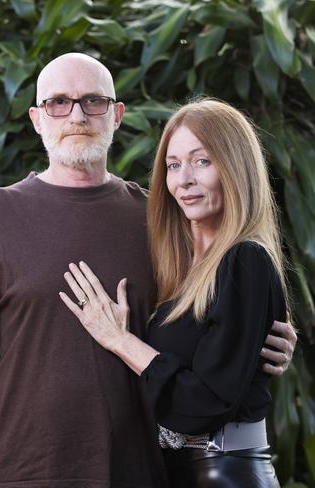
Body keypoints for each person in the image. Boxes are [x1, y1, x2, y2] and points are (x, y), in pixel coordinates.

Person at [0, 54, 296, 488]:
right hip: (26, 474)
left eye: (93, 101)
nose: (76, 115)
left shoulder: (163, 222)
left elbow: (214, 324)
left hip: (141, 472)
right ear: (37, 118)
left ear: (116, 115)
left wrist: (268, 338)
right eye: (57, 102)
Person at [60, 98, 288, 487]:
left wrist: (119, 339)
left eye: (202, 161)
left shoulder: (245, 260)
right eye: (173, 165)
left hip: (226, 475)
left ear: (236, 168)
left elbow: (204, 403)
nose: (184, 180)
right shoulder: (182, 269)